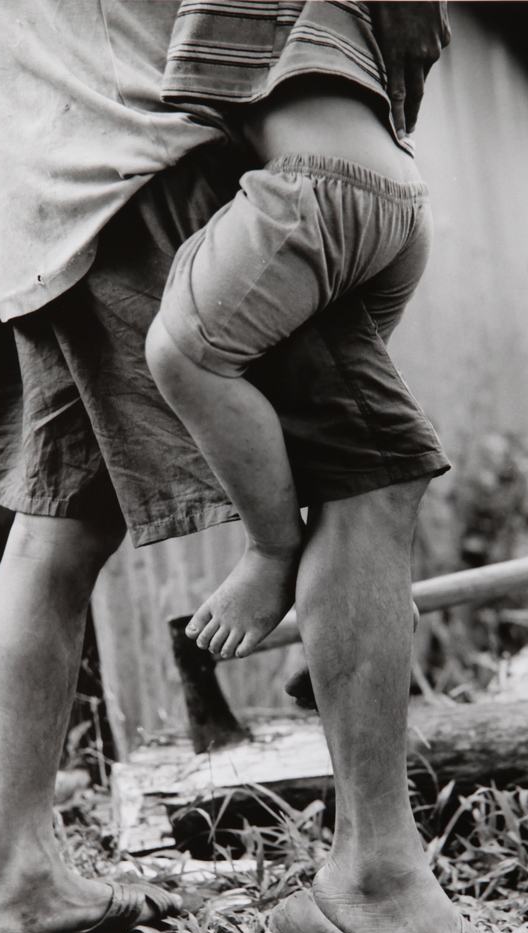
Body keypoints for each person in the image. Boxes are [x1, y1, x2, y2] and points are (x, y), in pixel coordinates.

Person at [0, 2, 528, 933]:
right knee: (370, 476)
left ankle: (18, 873)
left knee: (58, 529)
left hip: (36, 196)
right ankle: (378, 884)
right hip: (154, 166)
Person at [145, 1, 433, 661]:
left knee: (184, 354)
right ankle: (369, 602)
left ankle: (271, 554)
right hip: (400, 199)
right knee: (337, 447)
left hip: (319, 186)